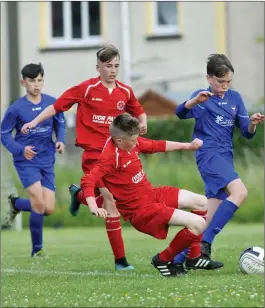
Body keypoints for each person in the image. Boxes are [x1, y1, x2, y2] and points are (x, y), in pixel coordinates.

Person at [20, 45, 147, 270]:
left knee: (115, 200)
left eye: (116, 66)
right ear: (98, 67)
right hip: (94, 156)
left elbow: (138, 110)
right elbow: (56, 107)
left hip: (116, 154)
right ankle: (121, 261)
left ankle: (78, 195)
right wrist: (34, 122)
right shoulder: (87, 89)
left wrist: (143, 122)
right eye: (108, 66)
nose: (113, 70)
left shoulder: (125, 91)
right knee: (110, 201)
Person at [79, 113, 213, 277]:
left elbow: (154, 145)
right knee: (198, 224)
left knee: (202, 202)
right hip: (141, 211)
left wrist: (188, 146)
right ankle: (162, 259)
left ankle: (194, 257)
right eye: (134, 140)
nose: (137, 143)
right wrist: (93, 206)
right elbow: (88, 180)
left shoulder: (128, 142)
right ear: (120, 141)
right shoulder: (109, 158)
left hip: (151, 194)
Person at [173, 54, 264, 269]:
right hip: (208, 155)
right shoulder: (201, 97)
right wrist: (194, 101)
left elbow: (247, 133)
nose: (224, 86)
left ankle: (176, 259)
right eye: (220, 81)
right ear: (209, 78)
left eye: (228, 82)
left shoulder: (235, 98)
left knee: (208, 215)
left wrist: (252, 124)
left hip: (225, 157)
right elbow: (180, 112)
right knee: (240, 192)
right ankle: (205, 244)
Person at [1, 63, 66, 257]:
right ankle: (37, 250)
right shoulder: (16, 108)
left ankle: (16, 204)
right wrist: (21, 150)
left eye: (39, 80)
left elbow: (60, 124)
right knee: (38, 202)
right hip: (26, 160)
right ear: (24, 82)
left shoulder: (53, 103)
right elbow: (4, 134)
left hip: (47, 159)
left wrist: (60, 141)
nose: (36, 85)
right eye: (31, 81)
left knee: (48, 208)